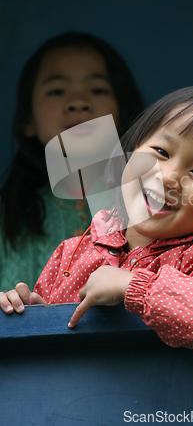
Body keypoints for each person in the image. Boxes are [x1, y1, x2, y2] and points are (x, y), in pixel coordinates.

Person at [0, 86, 193, 355]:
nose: (169, 176)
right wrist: (31, 313)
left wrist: (133, 285)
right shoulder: (70, 251)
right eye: (161, 152)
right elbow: (49, 349)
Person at [0, 31, 144, 292]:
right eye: (56, 91)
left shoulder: (158, 203)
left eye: (98, 89)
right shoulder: (5, 216)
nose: (78, 102)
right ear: (27, 121)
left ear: (124, 113)